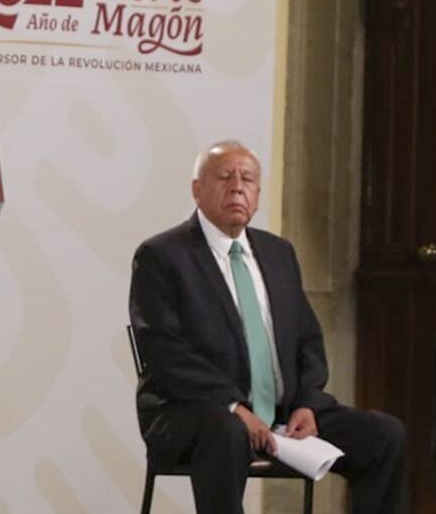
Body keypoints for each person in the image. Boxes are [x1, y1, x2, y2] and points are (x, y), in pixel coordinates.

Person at [128, 140, 406, 514]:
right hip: (191, 411)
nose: (237, 187)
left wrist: (307, 402)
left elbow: (307, 339)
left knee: (385, 436)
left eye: (248, 179)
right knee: (225, 431)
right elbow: (163, 351)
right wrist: (234, 406)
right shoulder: (162, 256)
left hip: (283, 412)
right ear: (197, 190)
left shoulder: (278, 253)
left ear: (258, 194)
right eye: (225, 177)